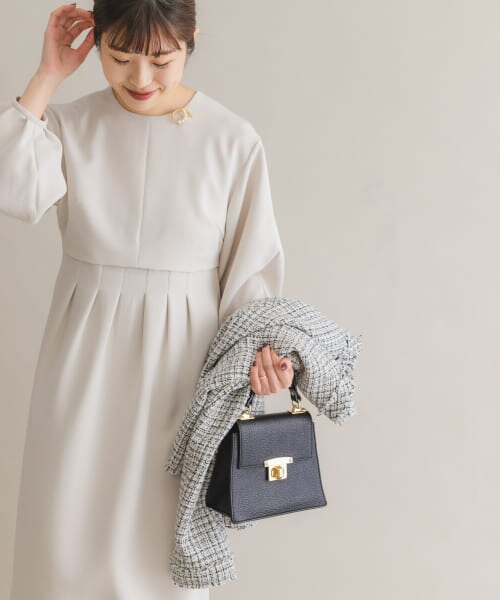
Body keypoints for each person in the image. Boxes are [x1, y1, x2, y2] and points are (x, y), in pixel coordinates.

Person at [0, 0, 295, 597]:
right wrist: (48, 76)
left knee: (161, 555)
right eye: (119, 57)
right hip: (81, 366)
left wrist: (264, 361)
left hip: (183, 374)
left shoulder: (231, 139)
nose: (139, 78)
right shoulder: (71, 124)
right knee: (66, 540)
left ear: (191, 40)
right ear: (97, 42)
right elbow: (13, 190)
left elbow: (250, 272)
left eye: (161, 60)